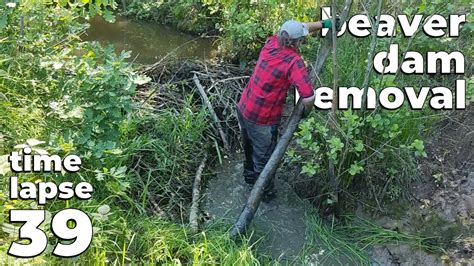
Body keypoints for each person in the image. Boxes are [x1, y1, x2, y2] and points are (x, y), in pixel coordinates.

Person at [236, 19, 339, 201]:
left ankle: (248, 182)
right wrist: (306, 113)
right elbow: (308, 97)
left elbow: (304, 27)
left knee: (249, 152)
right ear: (297, 42)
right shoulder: (294, 62)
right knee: (264, 161)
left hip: (244, 108)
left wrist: (325, 24)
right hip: (262, 121)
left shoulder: (271, 42)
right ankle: (264, 197)